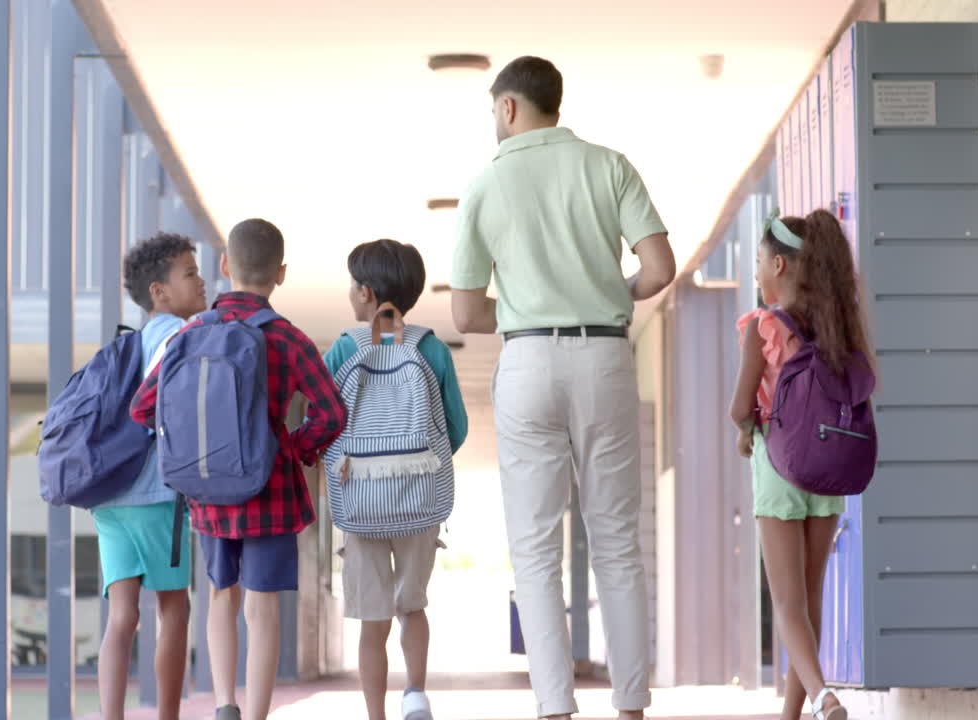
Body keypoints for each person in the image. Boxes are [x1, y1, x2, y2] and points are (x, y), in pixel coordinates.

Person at [450, 56, 675, 720]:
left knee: (535, 548)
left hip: (526, 364)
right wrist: (609, 294)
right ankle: (631, 706)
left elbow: (464, 313)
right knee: (616, 541)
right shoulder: (609, 165)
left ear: (511, 107)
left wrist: (525, 310)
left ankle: (555, 707)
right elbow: (658, 267)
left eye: (495, 110)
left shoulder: (485, 184)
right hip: (604, 356)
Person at [130, 218, 348, 720]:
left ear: (225, 265)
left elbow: (143, 408)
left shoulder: (190, 334)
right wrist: (295, 447)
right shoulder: (289, 339)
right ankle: (256, 714)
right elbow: (332, 412)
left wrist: (189, 444)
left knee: (220, 597)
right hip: (269, 486)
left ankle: (224, 703)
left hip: (207, 489)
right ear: (282, 273)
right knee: (261, 605)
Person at [728, 209, 871, 720]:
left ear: (782, 267)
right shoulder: (837, 329)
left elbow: (740, 409)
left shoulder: (763, 327)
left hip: (779, 467)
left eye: (762, 261)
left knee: (786, 604)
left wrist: (746, 436)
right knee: (809, 601)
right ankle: (795, 713)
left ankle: (823, 696)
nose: (758, 272)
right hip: (827, 472)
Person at [322, 239, 469, 720]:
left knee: (372, 620)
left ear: (365, 293)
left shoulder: (345, 348)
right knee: (413, 607)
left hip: (361, 504)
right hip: (419, 500)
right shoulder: (431, 349)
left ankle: (375, 715)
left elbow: (324, 423)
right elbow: (456, 427)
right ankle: (416, 694)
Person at [94, 232, 208, 720]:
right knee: (173, 609)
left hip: (109, 496)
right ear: (159, 292)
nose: (201, 280)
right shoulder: (179, 337)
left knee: (121, 618)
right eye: (189, 272)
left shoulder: (127, 343)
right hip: (156, 494)